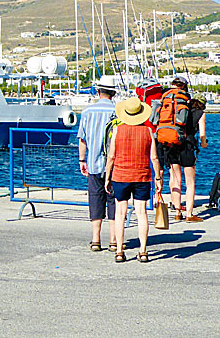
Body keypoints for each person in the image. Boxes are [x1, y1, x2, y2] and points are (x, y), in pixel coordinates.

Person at [104, 96, 162, 263]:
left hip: (121, 175)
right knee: (142, 213)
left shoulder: (117, 131)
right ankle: (143, 251)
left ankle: (120, 251)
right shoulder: (148, 132)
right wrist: (158, 178)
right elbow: (154, 158)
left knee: (120, 213)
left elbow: (111, 157)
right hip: (142, 176)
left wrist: (107, 177)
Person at [77, 77, 118, 253]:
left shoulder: (87, 112)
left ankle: (96, 239)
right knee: (114, 200)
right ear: (114, 93)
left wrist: (82, 160)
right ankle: (114, 240)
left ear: (98, 91)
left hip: (93, 163)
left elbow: (82, 139)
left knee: (95, 198)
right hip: (114, 165)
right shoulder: (118, 112)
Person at [158, 77, 191, 219]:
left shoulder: (164, 97)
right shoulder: (184, 98)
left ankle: (176, 207)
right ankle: (184, 212)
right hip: (180, 139)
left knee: (173, 174)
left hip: (165, 136)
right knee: (186, 178)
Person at [179, 97, 208, 222]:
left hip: (175, 145)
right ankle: (189, 214)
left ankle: (177, 211)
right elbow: (202, 134)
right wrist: (204, 143)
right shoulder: (201, 114)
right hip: (188, 146)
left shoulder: (182, 110)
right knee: (190, 182)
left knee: (175, 179)